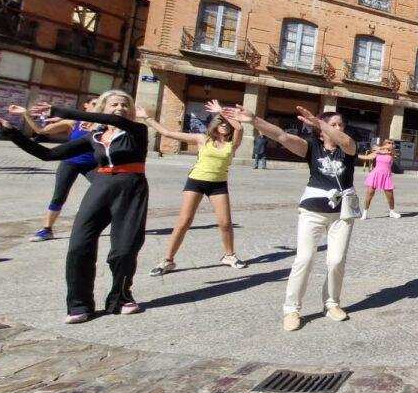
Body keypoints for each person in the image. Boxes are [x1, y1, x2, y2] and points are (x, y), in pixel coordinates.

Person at [0, 92, 149, 323]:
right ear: (103, 108)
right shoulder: (93, 136)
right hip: (101, 186)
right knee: (79, 245)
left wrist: (59, 111)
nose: (120, 107)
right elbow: (47, 154)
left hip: (131, 188)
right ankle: (79, 304)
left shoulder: (136, 130)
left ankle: (120, 297)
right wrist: (9, 132)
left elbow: (114, 121)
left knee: (124, 250)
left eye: (125, 104)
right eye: (114, 104)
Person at [221, 105, 359, 332]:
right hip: (312, 212)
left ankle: (332, 303)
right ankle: (291, 309)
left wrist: (320, 122)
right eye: (332, 124)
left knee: (336, 261)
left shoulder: (348, 148)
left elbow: (345, 141)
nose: (337, 128)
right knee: (304, 259)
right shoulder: (311, 147)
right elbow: (281, 136)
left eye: (340, 125)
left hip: (341, 214)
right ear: (320, 132)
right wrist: (254, 120)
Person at [144, 101, 245, 276]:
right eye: (221, 123)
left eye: (227, 124)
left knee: (225, 223)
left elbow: (240, 128)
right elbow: (167, 133)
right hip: (196, 182)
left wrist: (221, 111)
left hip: (218, 184)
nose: (224, 126)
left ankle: (229, 256)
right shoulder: (202, 139)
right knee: (184, 222)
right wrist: (146, 118)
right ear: (214, 125)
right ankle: (168, 260)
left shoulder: (232, 144)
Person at [10, 100, 99, 242]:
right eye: (94, 103)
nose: (97, 106)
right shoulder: (73, 122)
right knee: (59, 196)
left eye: (100, 103)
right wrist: (25, 114)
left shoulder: (104, 124)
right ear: (86, 105)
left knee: (107, 190)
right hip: (69, 163)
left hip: (92, 165)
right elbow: (41, 131)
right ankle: (46, 230)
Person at [360, 140, 402, 219]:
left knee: (390, 196)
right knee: (369, 194)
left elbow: (390, 149)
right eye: (389, 142)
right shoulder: (378, 152)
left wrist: (380, 148)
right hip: (375, 175)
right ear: (385, 143)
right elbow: (367, 157)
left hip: (386, 176)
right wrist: (355, 155)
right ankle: (364, 213)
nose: (391, 144)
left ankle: (392, 212)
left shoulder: (392, 152)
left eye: (392, 143)